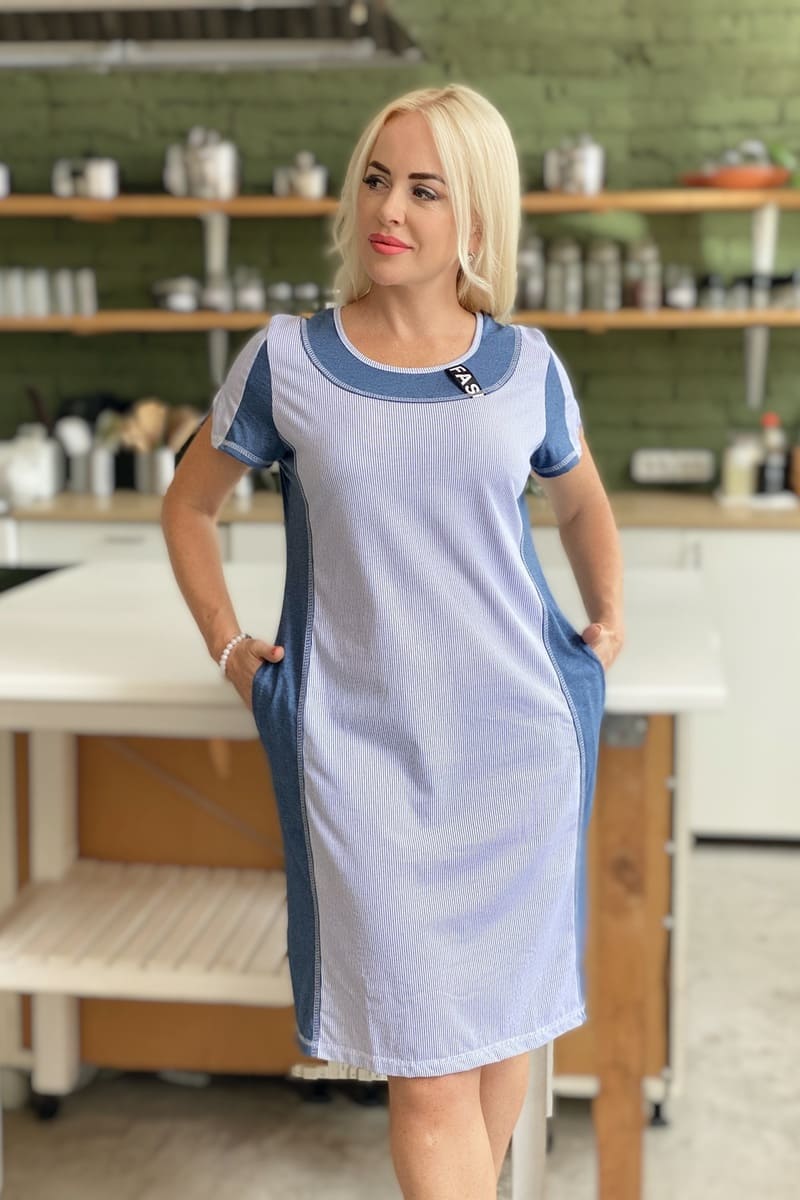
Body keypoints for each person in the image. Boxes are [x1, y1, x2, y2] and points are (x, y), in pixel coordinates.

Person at [161, 82, 624, 1200]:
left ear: (476, 215)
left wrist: (605, 619)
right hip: (361, 758)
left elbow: (578, 502)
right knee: (425, 1075)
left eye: (425, 189)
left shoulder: (523, 366)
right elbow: (188, 505)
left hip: (516, 749)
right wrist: (227, 645)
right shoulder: (288, 361)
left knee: (498, 1037)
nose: (389, 209)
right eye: (376, 179)